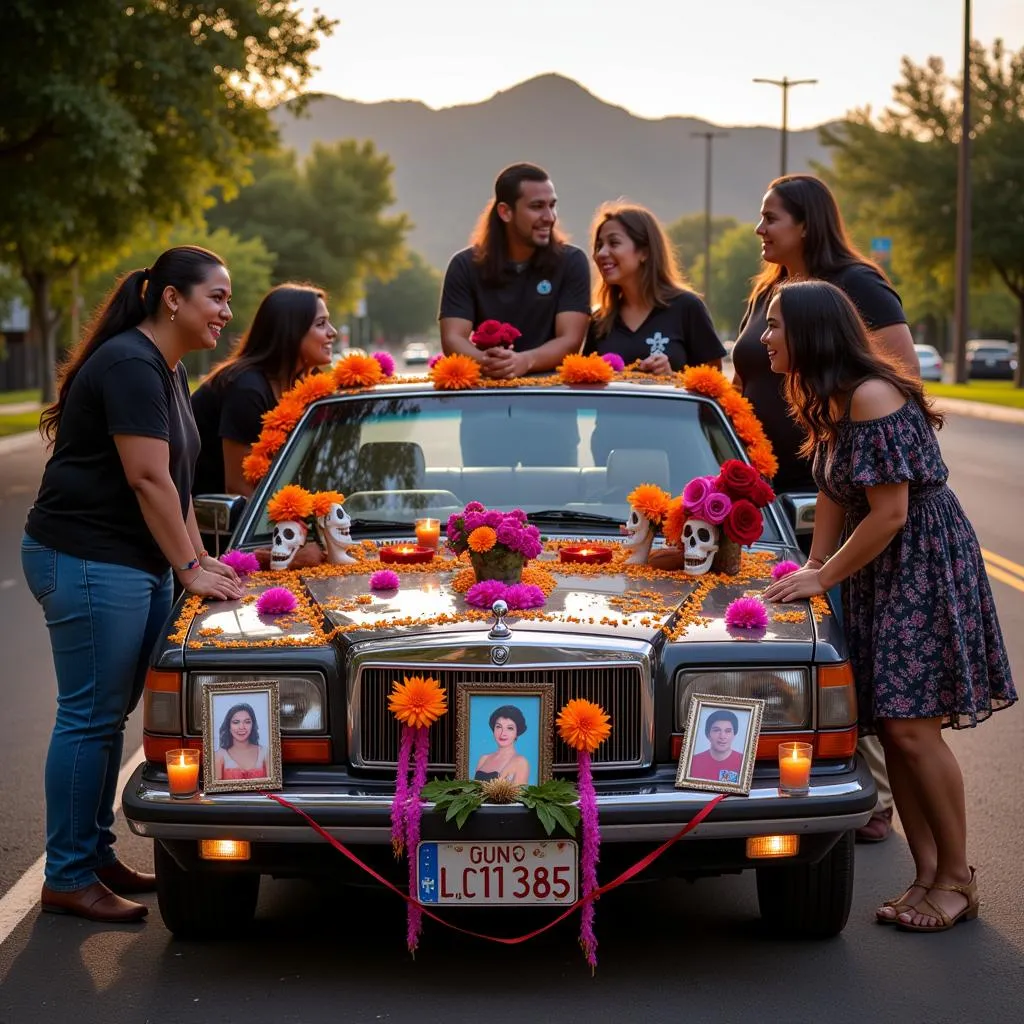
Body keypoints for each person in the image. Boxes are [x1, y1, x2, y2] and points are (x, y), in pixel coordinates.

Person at [761, 280, 1015, 933]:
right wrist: (811, 570)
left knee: (912, 726)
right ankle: (926, 876)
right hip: (880, 564)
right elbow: (833, 499)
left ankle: (958, 877)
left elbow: (892, 511)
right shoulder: (830, 401)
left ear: (812, 334)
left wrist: (824, 580)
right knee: (890, 724)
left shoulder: (872, 396)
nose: (764, 338)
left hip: (922, 559)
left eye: (774, 327)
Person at [22, 246, 245, 924]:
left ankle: (94, 855)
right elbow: (144, 479)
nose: (226, 311)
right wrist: (184, 568)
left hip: (131, 562)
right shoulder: (128, 363)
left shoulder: (168, 370)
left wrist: (199, 562)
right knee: (89, 717)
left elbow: (173, 484)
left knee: (110, 717)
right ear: (171, 298)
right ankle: (66, 874)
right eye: (216, 297)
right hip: (87, 557)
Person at [732, 173, 914, 840]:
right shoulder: (767, 292)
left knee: (844, 635)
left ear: (805, 222)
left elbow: (896, 381)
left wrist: (849, 461)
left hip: (837, 491)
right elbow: (745, 379)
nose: (760, 229)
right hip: (769, 489)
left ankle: (871, 793)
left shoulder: (856, 284)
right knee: (796, 627)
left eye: (769, 217)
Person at [439, 162, 591, 380]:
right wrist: (488, 362)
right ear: (505, 212)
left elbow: (570, 341)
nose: (549, 216)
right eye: (537, 206)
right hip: (485, 402)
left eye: (552, 205)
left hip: (553, 402)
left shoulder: (571, 262)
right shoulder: (464, 265)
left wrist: (525, 361)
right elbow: (453, 339)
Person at [190, 283, 337, 498]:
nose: (332, 332)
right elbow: (239, 488)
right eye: (321, 324)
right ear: (291, 331)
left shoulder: (311, 382)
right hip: (208, 523)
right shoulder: (246, 389)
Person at [584, 201, 725, 374]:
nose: (601, 253)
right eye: (599, 246)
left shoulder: (687, 307)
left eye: (613, 243)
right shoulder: (599, 320)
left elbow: (713, 383)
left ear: (645, 252)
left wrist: (672, 377)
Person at [474, 704, 530, 785]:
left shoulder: (521, 762)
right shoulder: (483, 759)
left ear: (517, 733)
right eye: (498, 727)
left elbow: (519, 796)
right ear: (493, 729)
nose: (503, 733)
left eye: (510, 728)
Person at [214, 703, 269, 781]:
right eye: (236, 722)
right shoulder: (219, 756)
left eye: (247, 722)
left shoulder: (265, 753)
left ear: (253, 725)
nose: (242, 727)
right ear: (228, 726)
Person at [688, 710, 744, 783]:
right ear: (708, 734)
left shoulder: (744, 762)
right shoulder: (693, 762)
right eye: (716, 730)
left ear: (734, 735)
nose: (722, 736)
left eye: (727, 731)